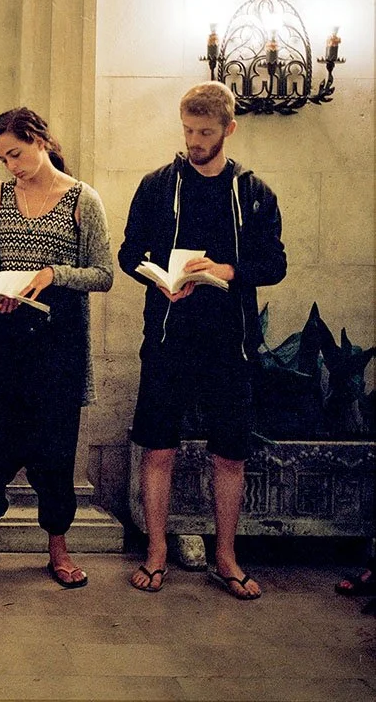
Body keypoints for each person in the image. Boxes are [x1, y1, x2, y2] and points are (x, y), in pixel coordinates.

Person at [120, 81, 286, 600]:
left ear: (228, 130)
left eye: (205, 132)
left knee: (230, 453)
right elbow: (129, 254)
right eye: (188, 130)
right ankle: (156, 552)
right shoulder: (156, 186)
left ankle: (226, 556)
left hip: (230, 344)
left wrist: (227, 269)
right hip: (168, 338)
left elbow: (275, 264)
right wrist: (159, 278)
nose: (194, 140)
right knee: (159, 446)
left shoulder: (255, 192)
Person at [0, 108, 113, 588]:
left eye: (16, 154)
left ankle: (58, 551)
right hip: (2, 340)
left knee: (55, 450)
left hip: (57, 344)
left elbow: (103, 273)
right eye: (3, 159)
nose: (11, 166)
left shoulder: (83, 200)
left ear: (40, 140)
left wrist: (53, 274)